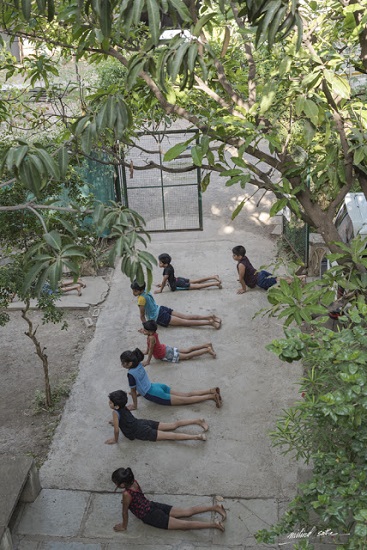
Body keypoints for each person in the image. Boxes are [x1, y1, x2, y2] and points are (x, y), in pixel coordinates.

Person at [111, 467, 226, 532]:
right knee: (187, 511)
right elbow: (137, 497)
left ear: (122, 484)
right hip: (152, 505)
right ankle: (215, 507)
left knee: (185, 525)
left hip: (150, 516)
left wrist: (124, 526)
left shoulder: (126, 494)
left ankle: (214, 524)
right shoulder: (134, 482)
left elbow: (124, 512)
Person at [120, 348, 222, 409]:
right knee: (186, 394)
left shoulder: (130, 374)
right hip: (157, 386)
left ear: (129, 363)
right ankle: (211, 390)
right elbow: (141, 381)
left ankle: (212, 397)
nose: (122, 365)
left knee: (185, 400)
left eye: (123, 363)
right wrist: (140, 392)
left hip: (154, 393)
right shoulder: (139, 364)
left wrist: (134, 405)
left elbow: (133, 391)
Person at [105, 390, 208, 444]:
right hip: (142, 422)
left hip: (140, 431)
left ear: (116, 406)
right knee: (173, 425)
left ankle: (197, 436)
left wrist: (115, 439)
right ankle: (198, 420)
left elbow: (117, 430)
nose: (109, 403)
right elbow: (123, 416)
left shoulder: (115, 413)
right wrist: (115, 421)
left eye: (110, 402)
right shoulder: (123, 407)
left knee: (171, 436)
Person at [131, 280, 221, 329]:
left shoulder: (141, 299)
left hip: (158, 316)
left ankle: (210, 323)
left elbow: (142, 316)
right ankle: (210, 317)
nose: (133, 293)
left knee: (185, 323)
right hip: (161, 308)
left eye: (135, 291)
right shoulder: (146, 289)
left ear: (140, 290)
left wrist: (146, 327)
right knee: (186, 316)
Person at [232, 245, 306, 294]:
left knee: (280, 283)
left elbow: (241, 278)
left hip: (260, 280)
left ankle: (299, 280)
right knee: (277, 278)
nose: (233, 256)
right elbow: (247, 272)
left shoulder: (241, 265)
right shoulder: (245, 258)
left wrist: (243, 289)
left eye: (234, 255)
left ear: (240, 256)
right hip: (261, 273)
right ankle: (298, 277)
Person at [140, 320, 216, 366]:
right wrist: (146, 351)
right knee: (187, 350)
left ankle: (207, 350)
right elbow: (149, 346)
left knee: (188, 356)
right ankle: (206, 345)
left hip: (165, 353)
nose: (143, 331)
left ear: (150, 331)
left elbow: (151, 350)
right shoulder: (152, 334)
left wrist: (147, 361)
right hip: (165, 349)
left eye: (145, 330)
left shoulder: (151, 338)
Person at [155, 253, 222, 293]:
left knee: (198, 286)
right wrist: (162, 284)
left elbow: (165, 280)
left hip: (177, 284)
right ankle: (213, 277)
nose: (159, 263)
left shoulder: (166, 271)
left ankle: (215, 283)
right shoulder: (169, 266)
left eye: (160, 262)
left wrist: (161, 289)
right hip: (178, 279)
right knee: (197, 281)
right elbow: (170, 279)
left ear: (165, 264)